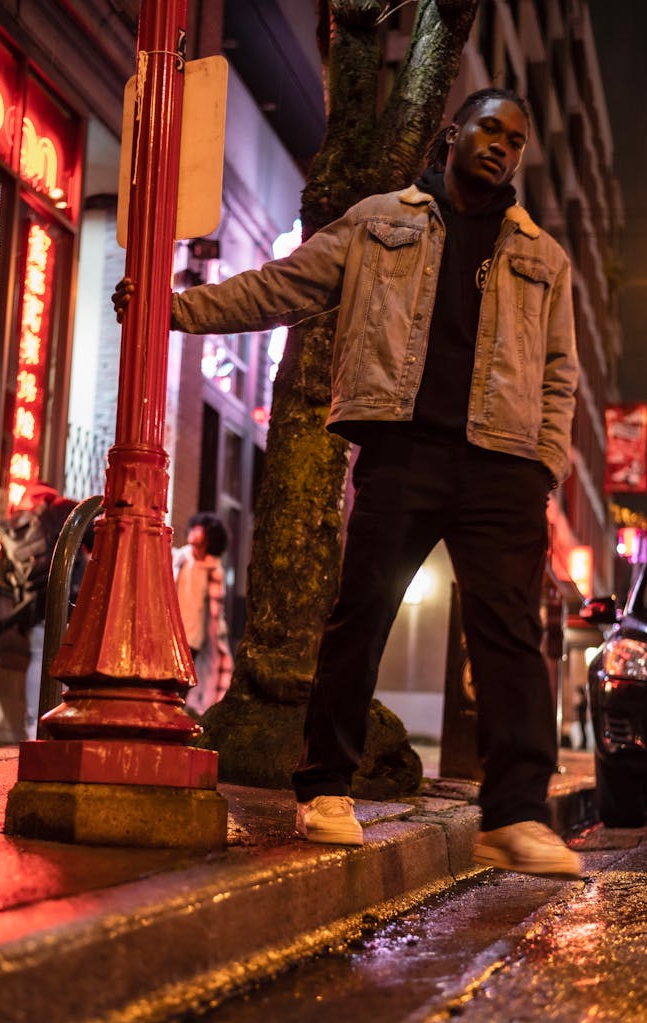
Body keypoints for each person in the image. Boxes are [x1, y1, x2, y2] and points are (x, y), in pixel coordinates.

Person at [115, 88, 582, 878]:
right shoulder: (377, 220)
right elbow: (283, 285)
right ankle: (325, 785)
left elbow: (559, 373)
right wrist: (177, 312)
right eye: (489, 129)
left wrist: (546, 462)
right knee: (361, 612)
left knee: (513, 641)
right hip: (405, 450)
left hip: (504, 464)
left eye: (516, 139)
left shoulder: (543, 255)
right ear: (451, 134)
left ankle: (516, 813)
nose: (503, 146)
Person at [0, 483, 91, 740]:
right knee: (67, 660)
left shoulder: (19, 523)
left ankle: (33, 725)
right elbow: (93, 539)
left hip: (34, 603)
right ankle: (61, 724)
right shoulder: (66, 510)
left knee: (37, 657)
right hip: (66, 599)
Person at [172, 513, 233, 714]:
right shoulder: (180, 558)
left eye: (199, 529)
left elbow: (216, 610)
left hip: (193, 637)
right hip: (171, 632)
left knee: (181, 687)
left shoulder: (214, 569)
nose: (193, 531)